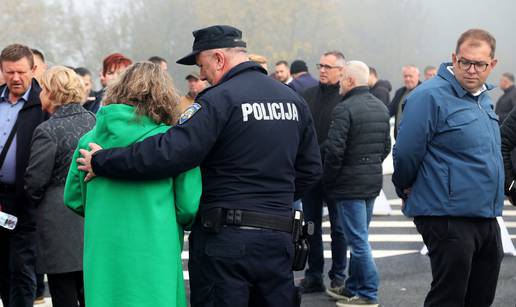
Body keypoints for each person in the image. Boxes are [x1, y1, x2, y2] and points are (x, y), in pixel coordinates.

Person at [75, 25, 321, 307]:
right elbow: (311, 169)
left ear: (218, 58)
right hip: (278, 237)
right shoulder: (293, 101)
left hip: (225, 241)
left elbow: (169, 152)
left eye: (202, 66)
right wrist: (270, 203)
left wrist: (104, 160)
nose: (201, 76)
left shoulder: (219, 100)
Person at [64, 62, 201, 307]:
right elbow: (189, 206)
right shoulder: (170, 142)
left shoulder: (88, 140)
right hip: (156, 249)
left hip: (104, 251)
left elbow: (73, 198)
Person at [392, 29, 504, 307]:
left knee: (480, 296)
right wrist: (403, 187)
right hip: (446, 214)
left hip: (485, 214)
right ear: (454, 58)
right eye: (465, 62)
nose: (471, 70)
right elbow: (405, 152)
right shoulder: (428, 96)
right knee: (449, 297)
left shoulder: (484, 99)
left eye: (479, 64)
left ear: (492, 64)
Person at [24, 66, 95, 307]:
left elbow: (35, 181)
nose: (40, 94)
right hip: (93, 214)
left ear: (53, 93)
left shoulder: (47, 130)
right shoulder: (95, 121)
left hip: (58, 221)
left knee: (63, 293)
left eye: (43, 89)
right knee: (92, 292)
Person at [323, 61, 390, 307]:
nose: (339, 82)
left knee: (358, 242)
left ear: (350, 81)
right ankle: (352, 287)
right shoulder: (381, 107)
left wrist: (329, 180)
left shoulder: (344, 109)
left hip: (349, 185)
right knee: (360, 237)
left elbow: (334, 151)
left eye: (341, 78)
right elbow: (385, 148)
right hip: (371, 182)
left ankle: (369, 294)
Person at [0, 43, 48, 307]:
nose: (15, 78)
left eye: (21, 72)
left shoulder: (42, 104)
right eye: (9, 72)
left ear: (33, 69)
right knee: (2, 269)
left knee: (22, 268)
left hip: (26, 198)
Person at [298, 50, 347, 294]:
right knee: (310, 226)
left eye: (328, 66)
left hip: (336, 173)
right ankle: (314, 274)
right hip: (310, 172)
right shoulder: (308, 95)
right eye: (321, 65)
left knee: (339, 228)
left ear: (341, 70)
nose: (323, 70)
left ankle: (338, 276)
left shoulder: (345, 98)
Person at [388, 65, 421, 139]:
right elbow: (390, 111)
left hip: (417, 139)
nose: (408, 79)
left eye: (410, 76)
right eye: (405, 76)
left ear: (418, 76)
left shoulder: (424, 92)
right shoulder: (400, 92)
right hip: (399, 138)